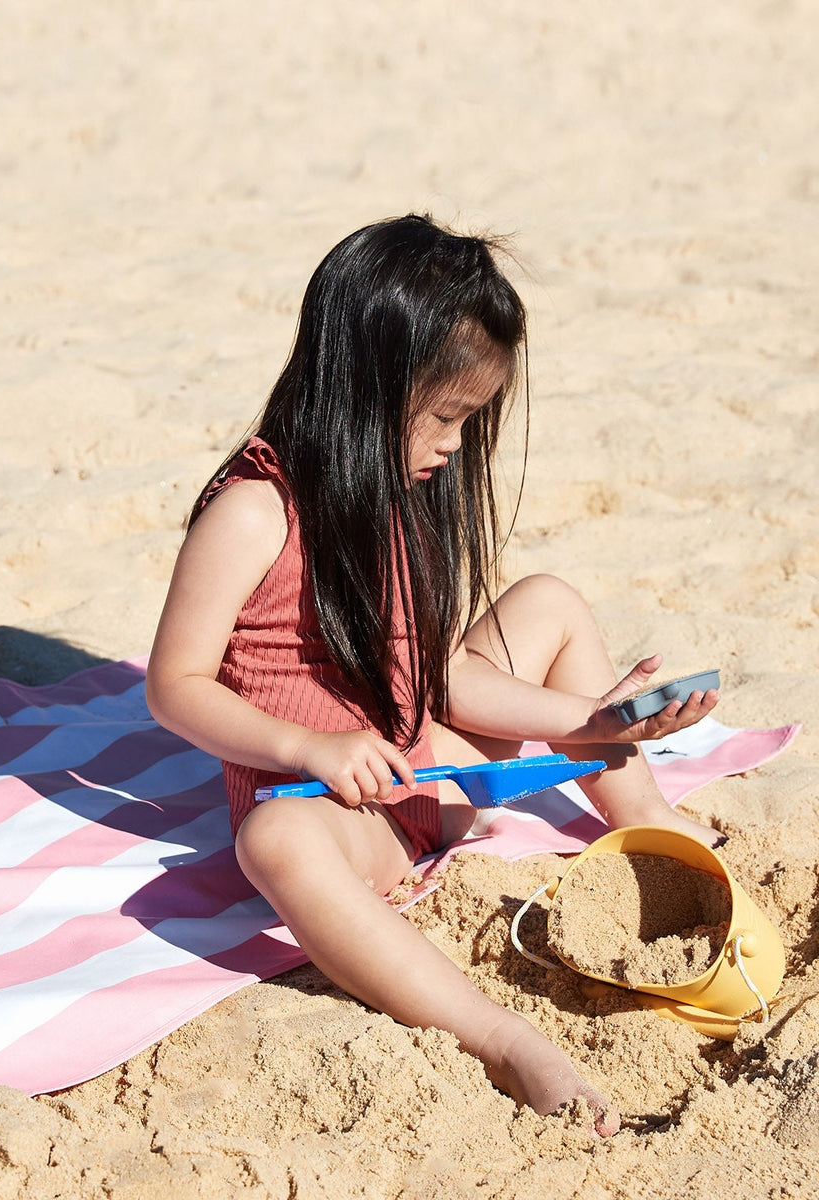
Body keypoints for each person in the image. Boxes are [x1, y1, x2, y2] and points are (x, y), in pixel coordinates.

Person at [144, 214, 720, 1136]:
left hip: (428, 755)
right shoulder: (257, 511)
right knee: (274, 844)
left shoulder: (400, 494)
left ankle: (647, 819)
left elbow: (438, 676)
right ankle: (500, 1040)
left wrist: (592, 719)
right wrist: (308, 746)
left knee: (552, 601)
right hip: (338, 803)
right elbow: (174, 684)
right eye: (447, 415)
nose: (456, 444)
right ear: (366, 384)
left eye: (470, 419)